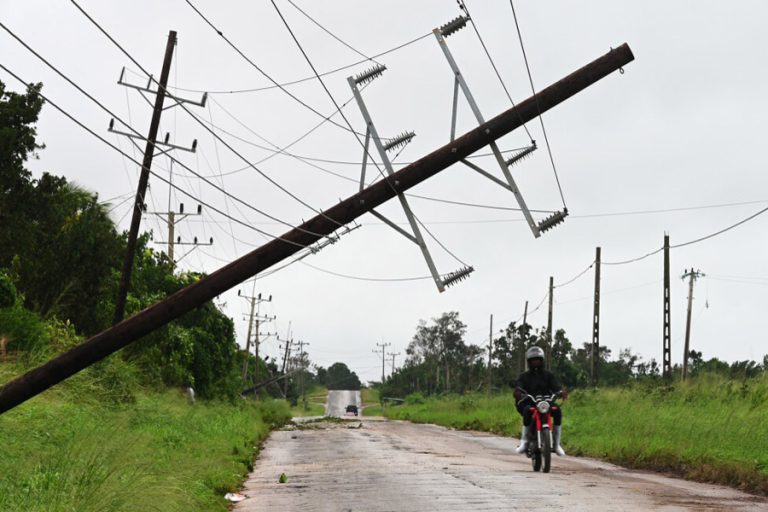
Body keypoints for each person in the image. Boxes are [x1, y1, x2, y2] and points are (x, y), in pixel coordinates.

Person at [513, 346, 568, 456]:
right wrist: (518, 392)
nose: (535, 362)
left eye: (538, 359)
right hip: (529, 402)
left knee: (557, 411)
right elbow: (519, 386)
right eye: (533, 360)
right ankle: (524, 442)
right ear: (529, 362)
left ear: (542, 360)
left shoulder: (548, 375)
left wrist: (561, 392)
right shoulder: (524, 376)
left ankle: (556, 444)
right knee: (527, 411)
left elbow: (556, 386)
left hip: (545, 402)